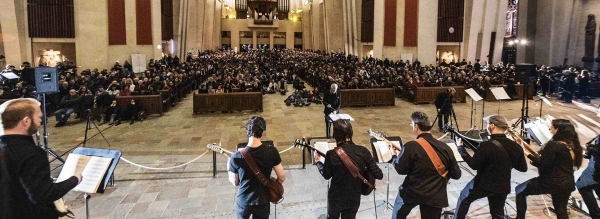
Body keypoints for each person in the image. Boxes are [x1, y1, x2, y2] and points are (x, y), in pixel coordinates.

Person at [0, 98, 82, 218]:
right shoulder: (32, 153)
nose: (40, 121)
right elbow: (44, 195)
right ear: (26, 121)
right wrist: (75, 179)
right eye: (39, 117)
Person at [453, 115, 528, 219]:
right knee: (497, 214)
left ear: (492, 126)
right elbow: (523, 168)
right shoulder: (515, 146)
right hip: (503, 186)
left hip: (484, 185)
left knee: (464, 198)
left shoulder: (486, 146)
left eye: (487, 124)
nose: (486, 126)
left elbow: (473, 165)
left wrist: (461, 148)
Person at [390, 111, 461, 219]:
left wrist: (394, 157)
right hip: (435, 195)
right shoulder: (446, 148)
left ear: (416, 127)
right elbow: (457, 174)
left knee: (398, 214)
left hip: (412, 192)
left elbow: (401, 170)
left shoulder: (411, 146)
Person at [514, 119, 583, 219]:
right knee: (561, 210)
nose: (550, 129)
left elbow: (542, 164)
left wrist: (525, 152)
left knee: (520, 191)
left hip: (551, 182)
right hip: (567, 183)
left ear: (558, 129)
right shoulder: (573, 145)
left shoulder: (554, 145)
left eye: (552, 127)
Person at [314, 120, 383, 219]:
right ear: (351, 132)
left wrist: (318, 163)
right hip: (354, 197)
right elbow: (379, 175)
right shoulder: (363, 151)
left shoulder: (331, 154)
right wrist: (363, 167)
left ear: (336, 135)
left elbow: (326, 175)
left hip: (336, 198)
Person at [228, 116, 286, 219]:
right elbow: (281, 177)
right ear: (262, 131)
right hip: (263, 199)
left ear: (247, 131)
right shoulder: (272, 152)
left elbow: (235, 182)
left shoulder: (236, 156)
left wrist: (229, 165)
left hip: (244, 200)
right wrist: (274, 184)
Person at [576, 135, 600, 219]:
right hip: (595, 167)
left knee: (582, 186)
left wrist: (588, 148)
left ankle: (596, 216)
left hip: (596, 170)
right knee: (597, 187)